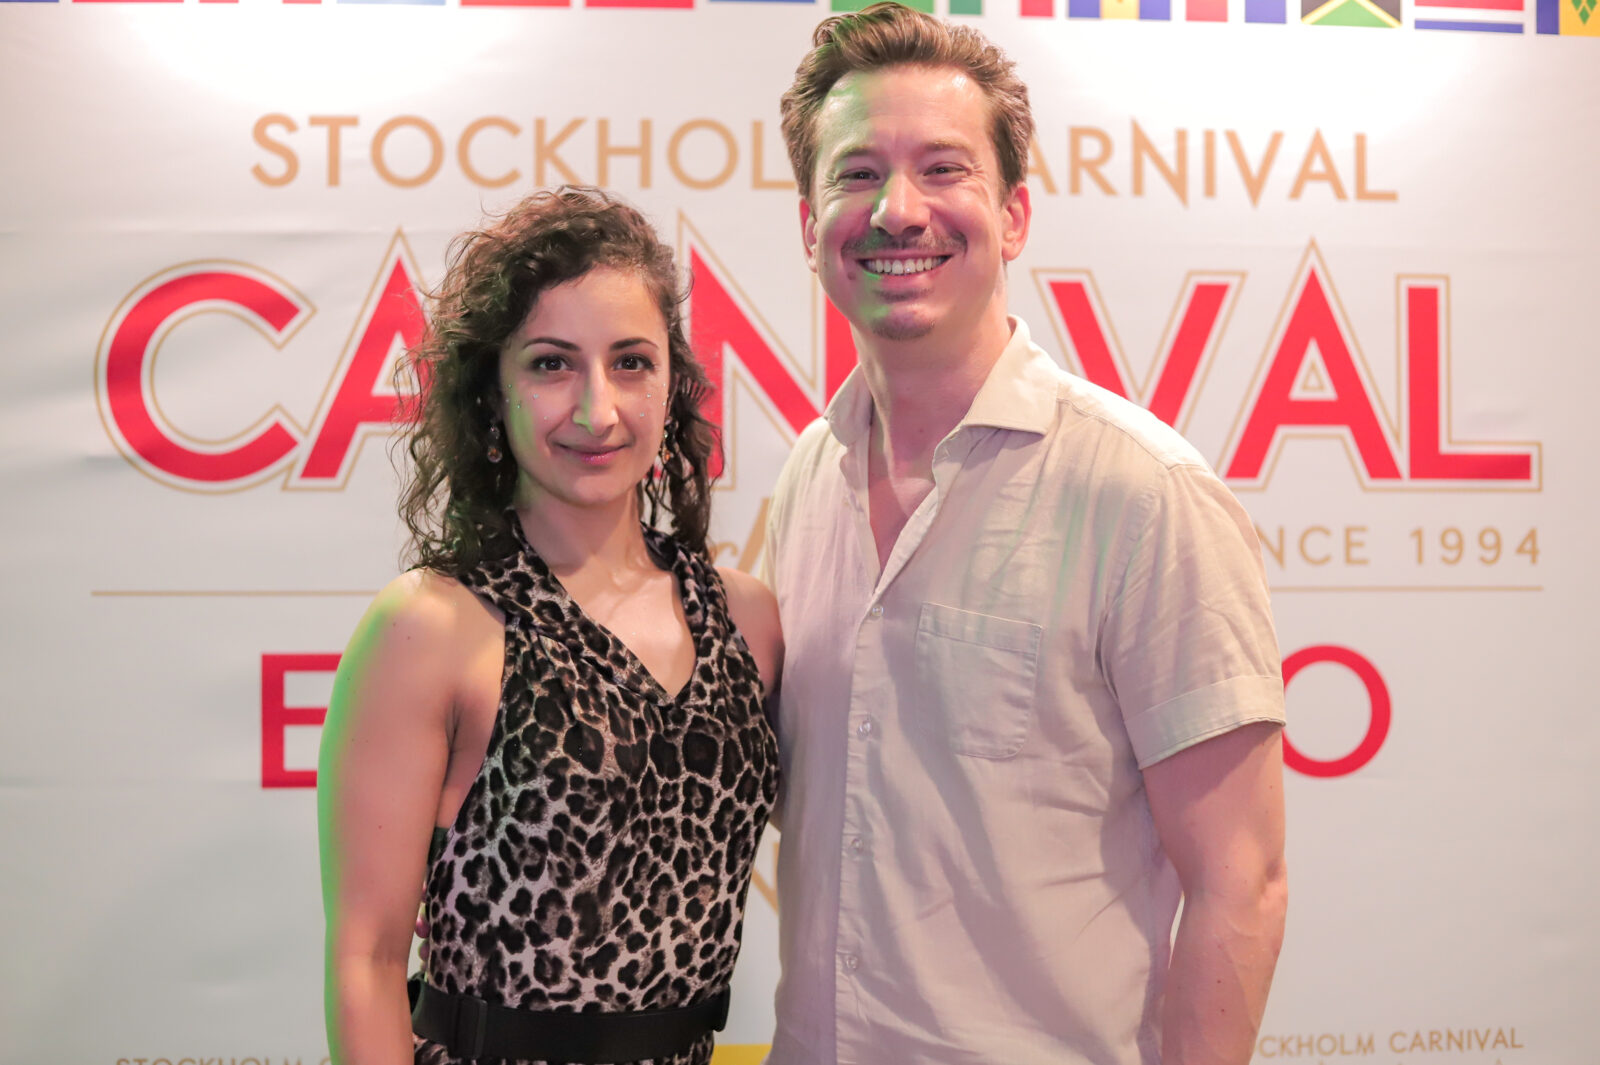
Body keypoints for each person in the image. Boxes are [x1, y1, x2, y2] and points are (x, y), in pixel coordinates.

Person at [759, 6, 1288, 1064]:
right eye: (857, 174)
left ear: (1012, 216)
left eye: (942, 169)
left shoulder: (1143, 494)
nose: (897, 210)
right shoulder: (806, 476)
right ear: (809, 225)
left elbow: (1242, 881)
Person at [317, 186, 781, 1065]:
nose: (597, 409)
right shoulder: (432, 625)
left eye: (631, 362)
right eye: (551, 364)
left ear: (672, 386)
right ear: (492, 395)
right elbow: (365, 959)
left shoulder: (747, 619)